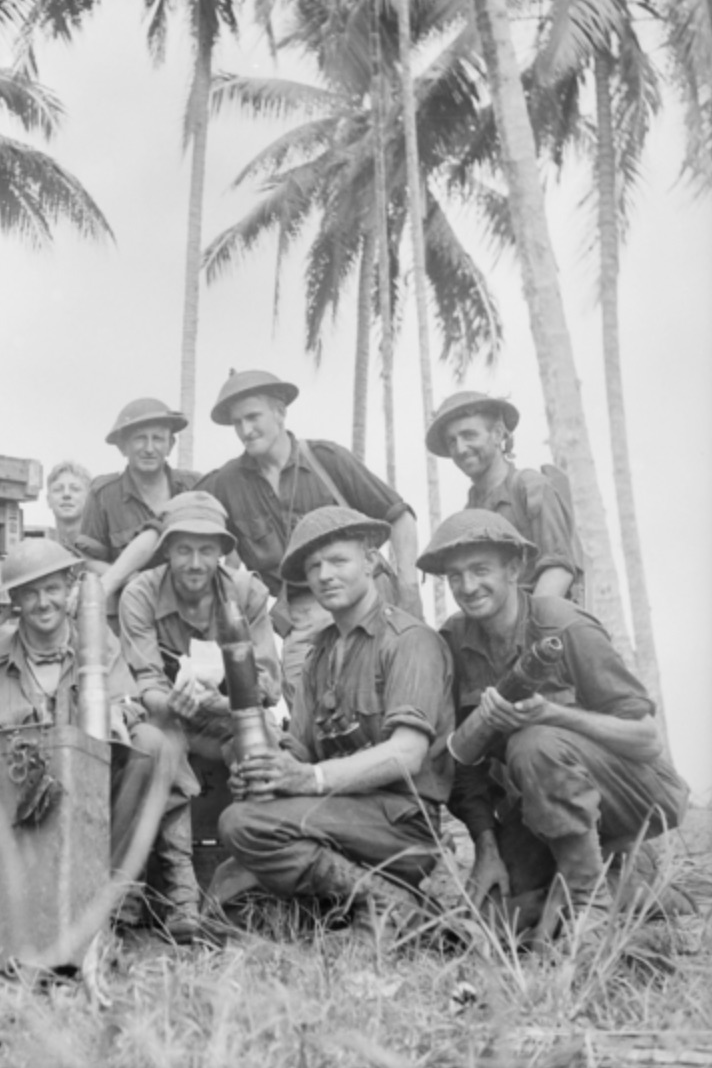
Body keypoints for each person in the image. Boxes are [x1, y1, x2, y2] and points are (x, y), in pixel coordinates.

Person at [417, 510, 687, 944]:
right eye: (454, 577)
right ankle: (631, 887)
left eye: (480, 570)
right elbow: (462, 762)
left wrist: (554, 715)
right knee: (493, 915)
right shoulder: (454, 640)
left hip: (636, 793)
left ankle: (590, 908)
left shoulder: (564, 623)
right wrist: (486, 847)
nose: (467, 587)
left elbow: (646, 738)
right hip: (541, 808)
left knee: (534, 742)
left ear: (514, 569)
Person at [215, 508, 454, 945]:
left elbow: (407, 753)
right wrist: (267, 767)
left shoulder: (410, 641)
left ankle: (387, 902)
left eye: (338, 561)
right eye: (313, 566)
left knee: (243, 826)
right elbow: (302, 753)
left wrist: (308, 778)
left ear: (370, 561)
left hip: (401, 825)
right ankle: (359, 911)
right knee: (223, 898)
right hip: (335, 816)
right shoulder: (318, 656)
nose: (324, 575)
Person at [0, 537, 198, 941]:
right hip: (26, 818)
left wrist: (115, 715)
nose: (43, 602)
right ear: (16, 600)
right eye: (30, 593)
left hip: (95, 802)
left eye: (52, 588)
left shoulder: (99, 642)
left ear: (69, 589)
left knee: (150, 745)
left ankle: (112, 901)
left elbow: (129, 702)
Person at [197, 368, 423, 700]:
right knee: (308, 714)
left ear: (280, 411)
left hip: (369, 601)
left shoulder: (326, 460)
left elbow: (400, 517)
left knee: (394, 700)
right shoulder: (226, 483)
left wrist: (408, 593)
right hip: (301, 613)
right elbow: (178, 524)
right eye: (237, 423)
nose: (245, 430)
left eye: (253, 416)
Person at [118, 491, 282, 760]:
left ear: (220, 552)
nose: (195, 564)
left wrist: (227, 704)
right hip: (167, 717)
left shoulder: (246, 592)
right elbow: (146, 680)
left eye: (206, 551)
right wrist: (169, 704)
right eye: (184, 550)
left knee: (266, 743)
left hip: (233, 711)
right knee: (147, 748)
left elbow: (267, 681)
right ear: (167, 550)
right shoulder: (141, 595)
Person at [425, 391, 582, 601]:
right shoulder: (470, 512)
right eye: (452, 441)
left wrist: (528, 630)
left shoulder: (530, 488)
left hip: (540, 620)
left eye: (469, 435)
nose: (460, 449)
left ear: (498, 434)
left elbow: (559, 570)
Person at [76, 397, 199, 598]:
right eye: (140, 438)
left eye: (158, 438)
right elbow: (87, 560)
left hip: (187, 606)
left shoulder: (192, 487)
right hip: (127, 606)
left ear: (170, 444)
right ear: (123, 446)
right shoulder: (103, 495)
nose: (149, 448)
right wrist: (130, 578)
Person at [45, 460, 91, 550]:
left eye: (75, 489)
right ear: (48, 500)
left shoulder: (106, 551)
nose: (66, 494)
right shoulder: (42, 555)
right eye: (58, 489)